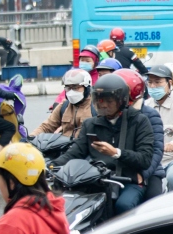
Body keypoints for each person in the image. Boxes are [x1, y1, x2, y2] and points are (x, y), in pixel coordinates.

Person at [52, 74, 155, 214]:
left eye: (109, 100)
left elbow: (145, 159)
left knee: (123, 206)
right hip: (98, 180)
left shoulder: (139, 121)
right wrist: (52, 166)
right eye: (99, 100)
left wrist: (116, 153)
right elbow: (75, 152)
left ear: (121, 100)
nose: (103, 105)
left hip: (127, 179)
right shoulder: (91, 124)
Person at [116, 68, 166, 201]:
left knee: (152, 201)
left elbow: (156, 149)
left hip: (148, 169)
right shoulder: (108, 115)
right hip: (117, 169)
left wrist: (144, 174)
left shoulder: (149, 115)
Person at [36, 68, 94, 140]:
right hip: (64, 148)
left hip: (85, 148)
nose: (71, 91)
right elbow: (46, 126)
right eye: (68, 88)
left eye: (75, 87)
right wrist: (30, 138)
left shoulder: (95, 106)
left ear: (86, 87)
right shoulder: (64, 106)